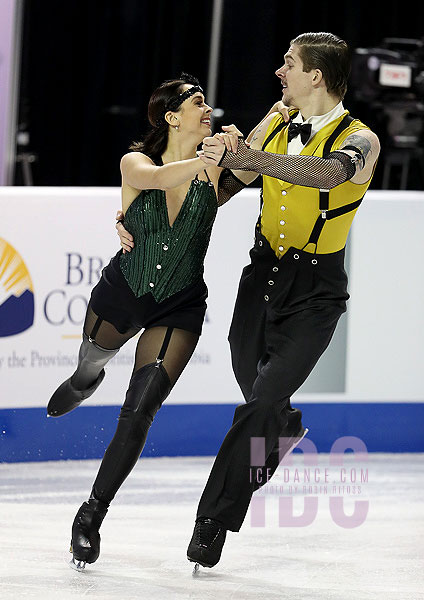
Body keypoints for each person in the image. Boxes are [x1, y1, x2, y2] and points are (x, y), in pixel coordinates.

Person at [116, 32, 380, 570]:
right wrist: (137, 215)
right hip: (259, 280)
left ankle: (212, 520)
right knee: (253, 385)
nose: (279, 72)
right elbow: (220, 190)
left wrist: (253, 154)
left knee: (259, 403)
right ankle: (281, 429)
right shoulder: (278, 124)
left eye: (289, 64)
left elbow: (327, 175)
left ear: (316, 76)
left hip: (315, 291)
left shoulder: (362, 140)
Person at [46, 73, 256, 571]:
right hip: (124, 294)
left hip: (178, 306)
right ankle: (83, 380)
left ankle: (90, 515)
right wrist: (213, 155)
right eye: (198, 102)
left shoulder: (214, 170)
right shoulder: (136, 162)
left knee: (139, 411)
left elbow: (254, 162)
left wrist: (266, 125)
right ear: (171, 116)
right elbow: (161, 179)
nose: (208, 108)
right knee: (90, 361)